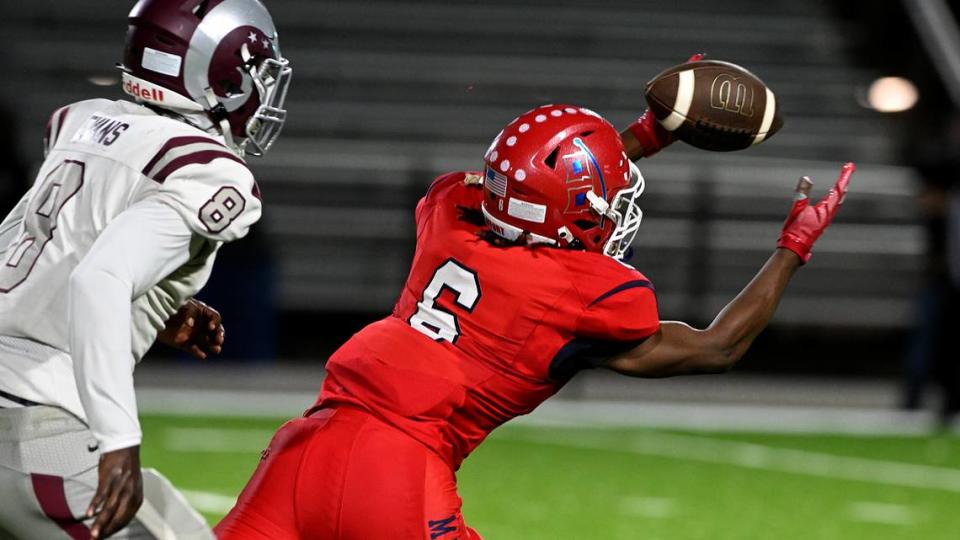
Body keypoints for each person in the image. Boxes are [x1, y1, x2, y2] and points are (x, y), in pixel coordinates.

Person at [215, 102, 854, 539]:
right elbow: (717, 347)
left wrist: (644, 135)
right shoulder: (588, 293)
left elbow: (525, 188)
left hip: (305, 445)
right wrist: (792, 247)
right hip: (400, 470)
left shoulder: (449, 218)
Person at [0, 0, 292, 537]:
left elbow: (53, 256)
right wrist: (117, 437)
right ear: (221, 77)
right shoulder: (210, 172)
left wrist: (150, 307)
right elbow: (98, 278)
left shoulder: (81, 122)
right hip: (30, 424)